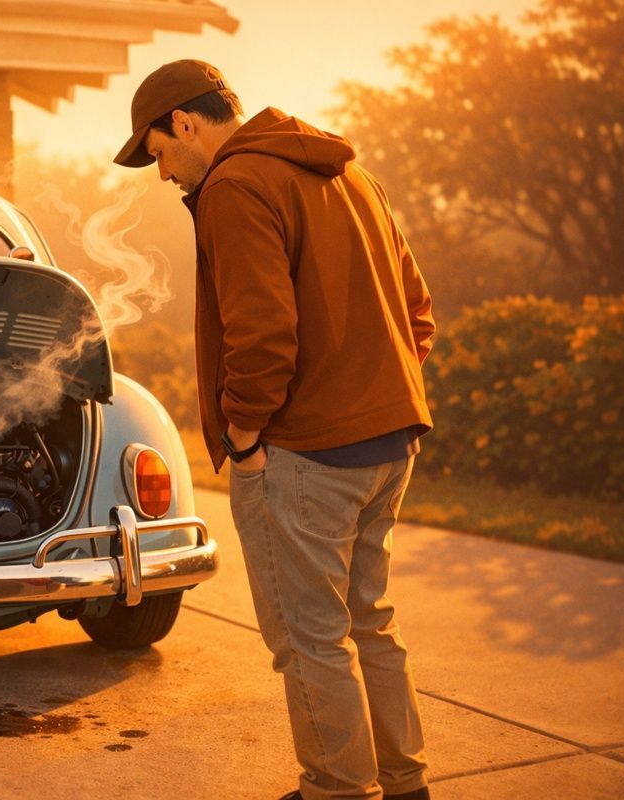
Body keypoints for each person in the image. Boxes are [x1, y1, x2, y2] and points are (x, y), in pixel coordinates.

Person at [114, 60, 435, 800]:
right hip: (389, 444)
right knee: (370, 625)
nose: (162, 174)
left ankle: (337, 788)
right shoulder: (349, 174)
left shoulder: (235, 184)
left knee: (307, 636)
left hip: (306, 454)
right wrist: (371, 391)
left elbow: (261, 338)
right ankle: (404, 784)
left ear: (186, 124)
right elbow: (417, 310)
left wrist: (249, 438)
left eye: (159, 152)